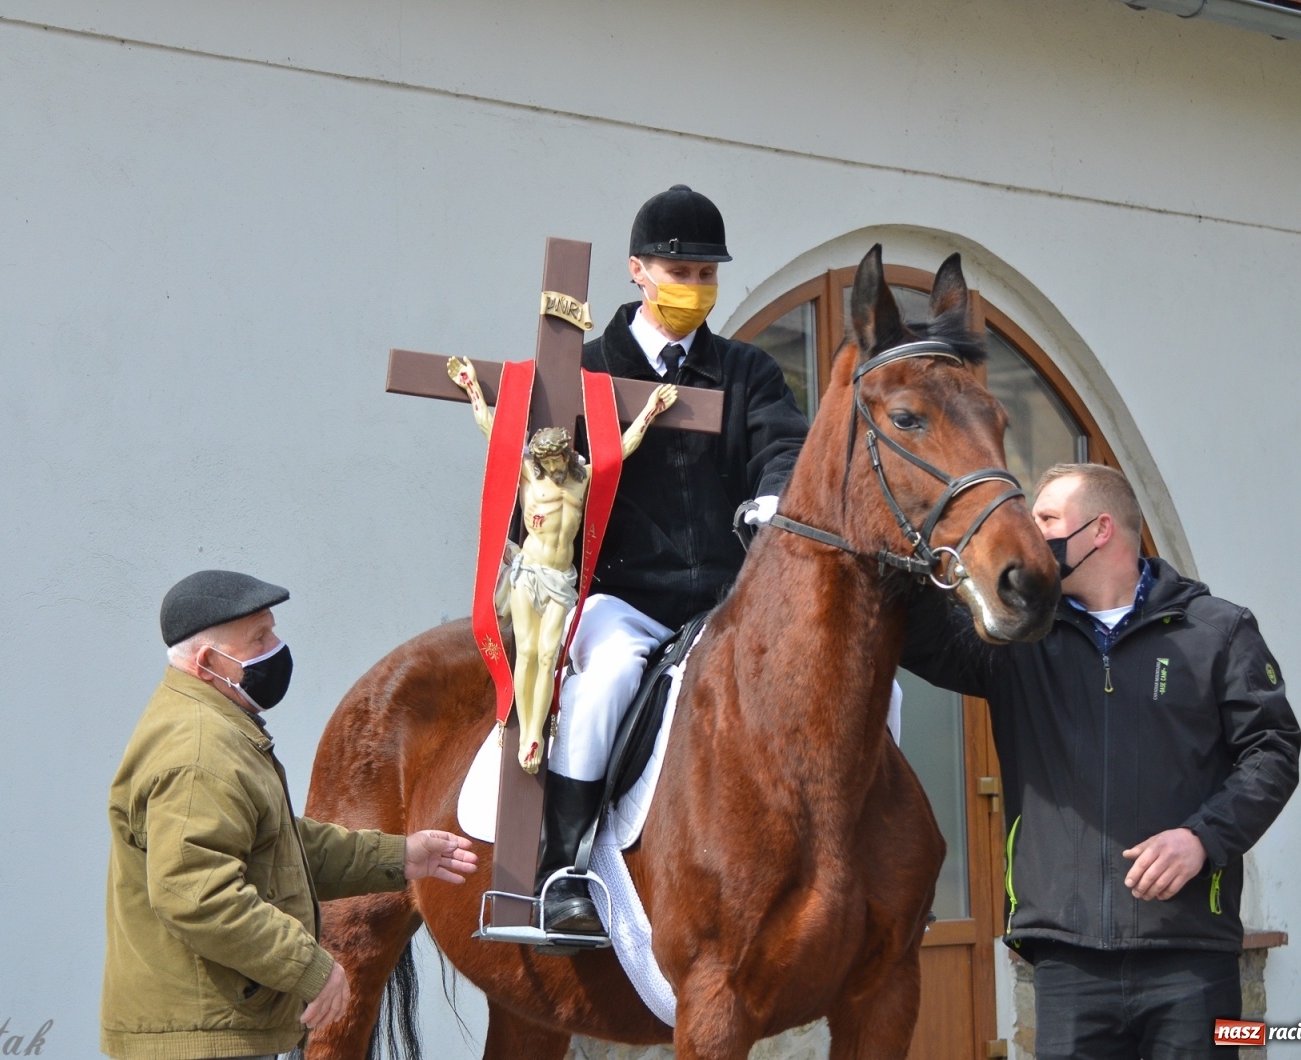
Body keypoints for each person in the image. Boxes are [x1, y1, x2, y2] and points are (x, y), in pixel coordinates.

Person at [901, 464, 1300, 1060]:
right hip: (1067, 964)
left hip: (1190, 961)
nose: (1033, 535)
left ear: (1100, 530)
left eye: (1047, 520)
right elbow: (917, 631)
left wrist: (1202, 839)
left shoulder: (1217, 631)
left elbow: (1272, 752)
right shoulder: (1020, 640)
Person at [532, 185, 809, 934]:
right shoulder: (582, 371)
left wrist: (775, 495)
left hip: (724, 603)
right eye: (678, 273)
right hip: (621, 596)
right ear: (637, 271)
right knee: (609, 678)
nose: (694, 289)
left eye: (707, 276)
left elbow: (782, 439)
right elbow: (541, 478)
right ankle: (564, 868)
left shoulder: (748, 371)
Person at [101, 569, 478, 1060]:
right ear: (210, 661)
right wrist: (311, 968)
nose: (276, 646)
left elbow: (276, 845)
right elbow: (197, 896)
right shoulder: (199, 752)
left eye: (272, 629)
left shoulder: (215, 726)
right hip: (202, 1036)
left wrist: (400, 856)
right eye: (259, 637)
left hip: (213, 1024)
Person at [445, 355, 677, 774]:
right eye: (546, 465)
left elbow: (622, 449)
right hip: (529, 572)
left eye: (557, 464)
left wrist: (650, 411)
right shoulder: (528, 475)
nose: (552, 471)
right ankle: (527, 729)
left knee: (550, 653)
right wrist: (471, 388)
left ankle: (535, 728)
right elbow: (490, 429)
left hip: (561, 577)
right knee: (529, 651)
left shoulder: (580, 477)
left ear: (566, 457)